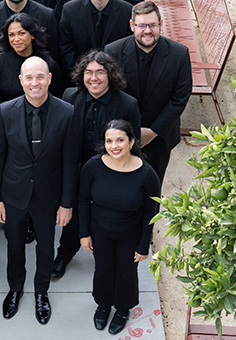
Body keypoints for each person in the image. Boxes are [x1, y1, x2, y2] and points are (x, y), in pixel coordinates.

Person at [0, 57, 75, 325]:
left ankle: (41, 292)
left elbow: (71, 161)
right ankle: (15, 288)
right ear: (21, 81)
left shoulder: (66, 112)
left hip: (48, 195)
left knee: (45, 247)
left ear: (49, 78)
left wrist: (66, 203)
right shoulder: (5, 111)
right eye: (29, 77)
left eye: (40, 77)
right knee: (14, 245)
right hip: (13, 194)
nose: (34, 83)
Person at [52, 51, 141, 279]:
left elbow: (134, 145)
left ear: (110, 75)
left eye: (100, 72)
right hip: (77, 169)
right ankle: (65, 253)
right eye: (88, 72)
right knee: (74, 216)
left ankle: (106, 260)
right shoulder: (69, 97)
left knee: (106, 220)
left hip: (110, 173)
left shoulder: (127, 104)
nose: (94, 78)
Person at [78, 119, 159, 334]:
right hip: (100, 230)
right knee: (103, 268)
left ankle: (122, 309)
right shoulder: (93, 166)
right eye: (109, 141)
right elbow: (83, 199)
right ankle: (104, 304)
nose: (114, 146)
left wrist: (143, 245)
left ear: (131, 142)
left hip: (130, 233)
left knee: (126, 271)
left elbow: (151, 211)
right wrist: (84, 233)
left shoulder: (147, 174)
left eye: (120, 140)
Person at [105, 1, 193, 190]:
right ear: (132, 26)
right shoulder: (112, 52)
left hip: (160, 138)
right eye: (142, 25)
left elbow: (180, 97)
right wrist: (127, 133)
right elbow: (110, 94)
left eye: (152, 25)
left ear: (161, 24)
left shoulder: (179, 54)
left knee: (151, 191)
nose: (147, 31)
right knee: (120, 188)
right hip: (121, 137)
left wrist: (152, 132)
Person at [58, 0, 133, 70]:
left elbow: (127, 52)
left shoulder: (127, 11)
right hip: (79, 77)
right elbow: (66, 51)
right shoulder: (70, 10)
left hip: (114, 77)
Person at [0, 13, 62, 102]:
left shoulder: (48, 63)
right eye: (11, 35)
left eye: (21, 33)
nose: (16, 39)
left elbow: (57, 97)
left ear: (32, 35)